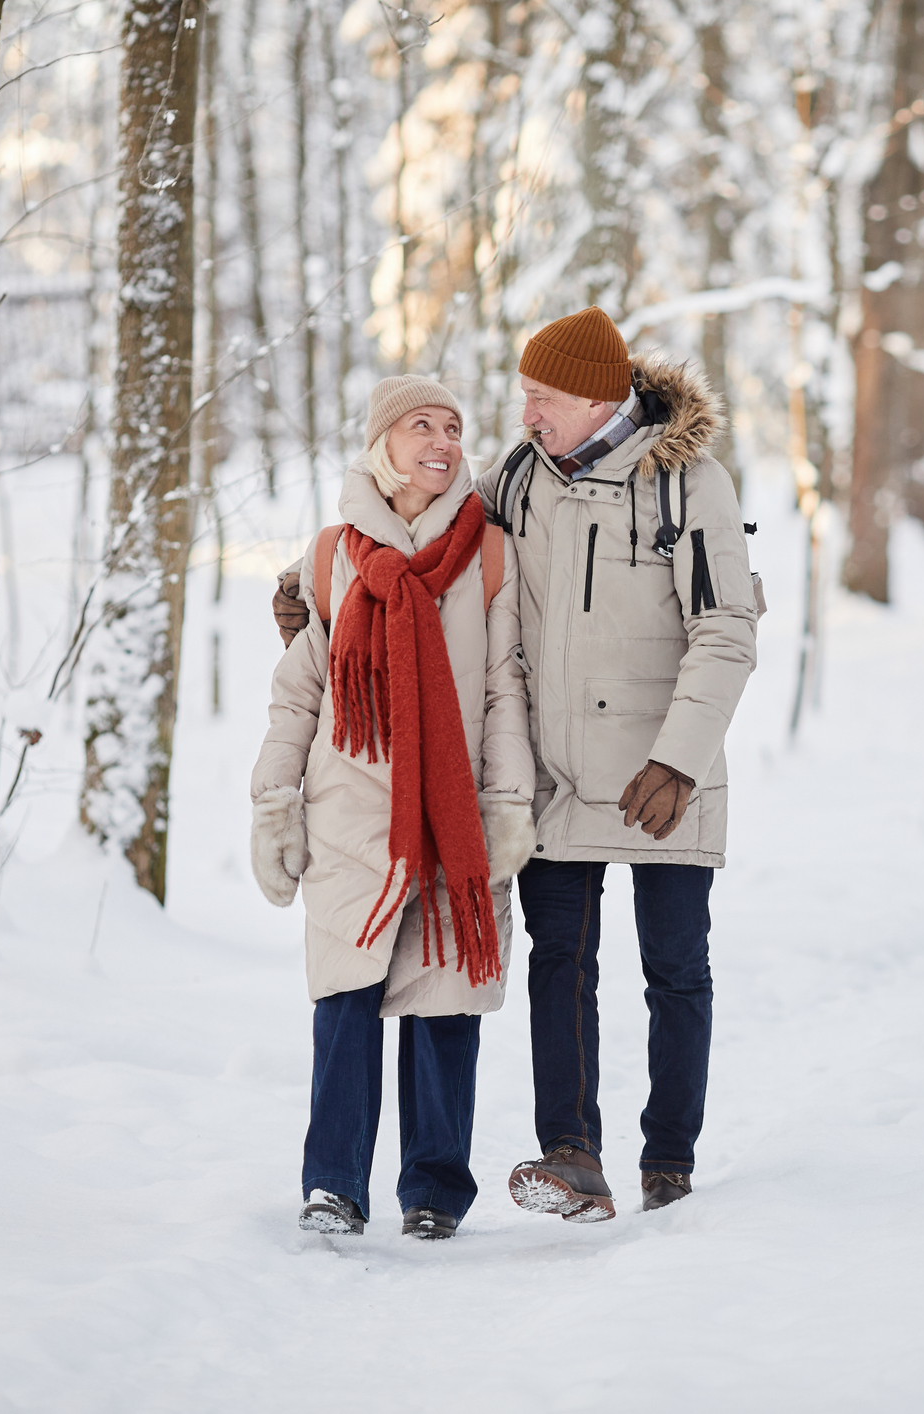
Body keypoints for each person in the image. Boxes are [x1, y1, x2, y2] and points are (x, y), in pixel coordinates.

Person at [273, 310, 758, 1219]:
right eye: (523, 397)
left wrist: (681, 759)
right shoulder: (521, 480)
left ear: (594, 397)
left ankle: (669, 1165)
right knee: (561, 961)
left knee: (674, 970)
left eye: (540, 397)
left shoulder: (688, 483)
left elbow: (726, 628)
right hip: (554, 773)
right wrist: (314, 595)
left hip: (662, 772)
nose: (524, 413)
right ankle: (572, 1155)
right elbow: (428, 537)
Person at [250, 375, 536, 1240]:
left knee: (444, 1000)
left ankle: (434, 1192)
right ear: (383, 443)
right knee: (345, 997)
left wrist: (508, 800)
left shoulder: (487, 550)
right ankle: (333, 1183)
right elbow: (299, 690)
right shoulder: (334, 552)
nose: (442, 440)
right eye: (421, 425)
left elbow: (501, 689)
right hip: (352, 808)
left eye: (453, 426)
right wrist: (274, 802)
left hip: (452, 811)